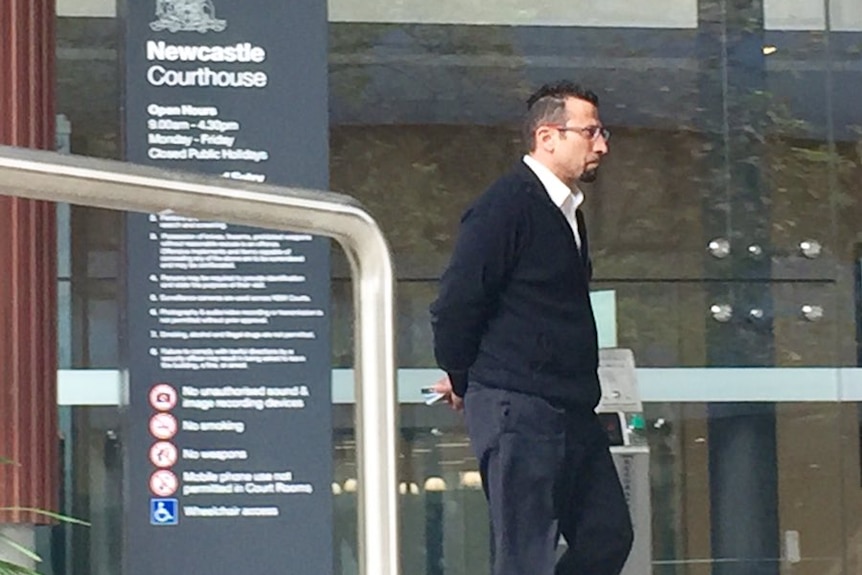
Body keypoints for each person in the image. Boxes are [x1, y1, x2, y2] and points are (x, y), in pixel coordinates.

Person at [429, 81, 634, 575]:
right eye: (590, 132)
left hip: (571, 408)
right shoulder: (507, 205)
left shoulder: (568, 213)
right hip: (519, 408)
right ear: (548, 137)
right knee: (527, 555)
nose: (602, 144)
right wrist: (462, 376)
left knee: (608, 536)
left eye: (601, 131)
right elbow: (457, 302)